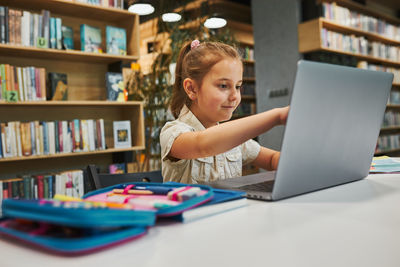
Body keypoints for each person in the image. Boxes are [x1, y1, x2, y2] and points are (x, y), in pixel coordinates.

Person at [160, 40, 289, 184]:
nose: (235, 96)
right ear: (192, 89)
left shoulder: (234, 139)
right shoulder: (172, 133)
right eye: (223, 85)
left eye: (238, 86)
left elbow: (272, 159)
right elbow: (203, 144)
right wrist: (277, 116)